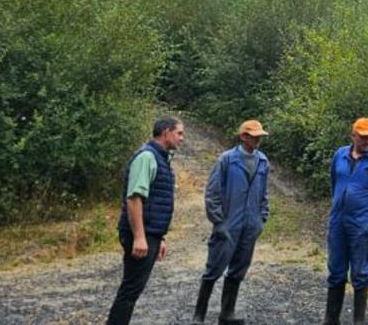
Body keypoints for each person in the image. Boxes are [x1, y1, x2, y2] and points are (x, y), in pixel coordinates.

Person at [105, 116, 186, 325]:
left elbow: (154, 203)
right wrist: (140, 237)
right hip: (140, 234)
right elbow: (134, 199)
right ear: (166, 132)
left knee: (132, 289)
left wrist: (159, 238)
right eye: (179, 133)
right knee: (130, 290)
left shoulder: (161, 158)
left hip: (150, 234)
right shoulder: (147, 157)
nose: (182, 138)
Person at [191, 119, 271, 325]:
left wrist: (261, 219)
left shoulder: (263, 161)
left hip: (250, 225)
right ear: (243, 136)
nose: (258, 140)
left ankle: (227, 314)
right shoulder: (226, 159)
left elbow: (264, 193)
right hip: (228, 224)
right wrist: (219, 222)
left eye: (260, 136)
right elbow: (212, 193)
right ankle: (199, 315)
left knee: (238, 270)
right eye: (254, 136)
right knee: (213, 269)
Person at [323, 117, 368, 325]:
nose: (367, 141)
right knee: (336, 269)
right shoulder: (340, 155)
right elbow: (334, 182)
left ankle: (359, 321)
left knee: (360, 271)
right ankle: (331, 319)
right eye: (363, 137)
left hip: (362, 223)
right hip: (338, 221)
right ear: (353, 136)